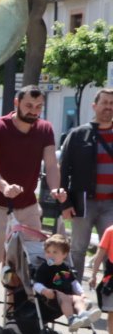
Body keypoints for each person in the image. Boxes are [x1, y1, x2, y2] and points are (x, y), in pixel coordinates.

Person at [0, 86, 64, 322]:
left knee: (27, 261)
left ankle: (14, 311)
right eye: (29, 106)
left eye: (38, 107)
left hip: (28, 206)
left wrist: (55, 188)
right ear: (16, 103)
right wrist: (4, 186)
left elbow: (51, 164)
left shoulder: (45, 129)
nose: (34, 111)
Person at [59, 88, 113, 280]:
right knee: (78, 249)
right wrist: (65, 203)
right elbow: (64, 170)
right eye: (104, 102)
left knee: (111, 251)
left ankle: (108, 292)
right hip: (83, 203)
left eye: (112, 103)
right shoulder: (78, 134)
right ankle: (74, 291)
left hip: (110, 205)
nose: (108, 107)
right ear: (94, 106)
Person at [34, 234, 99, 330]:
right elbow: (36, 283)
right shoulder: (45, 267)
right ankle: (71, 319)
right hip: (51, 298)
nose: (50, 255)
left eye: (55, 252)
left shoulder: (65, 267)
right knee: (63, 296)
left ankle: (83, 315)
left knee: (77, 299)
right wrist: (44, 290)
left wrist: (82, 293)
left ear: (64, 254)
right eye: (48, 252)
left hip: (67, 297)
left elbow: (74, 282)